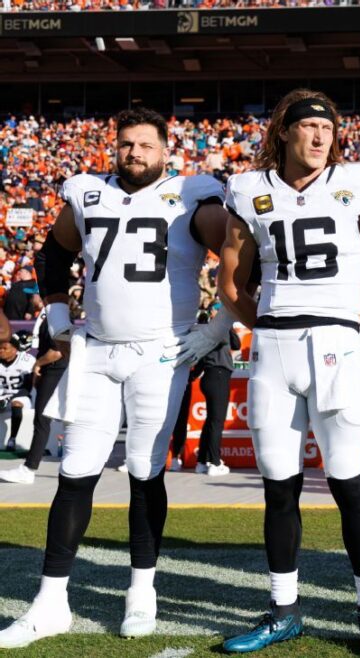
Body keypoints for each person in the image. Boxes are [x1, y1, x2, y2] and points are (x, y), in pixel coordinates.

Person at [0, 108, 233, 648]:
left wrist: (218, 327)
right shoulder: (87, 192)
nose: (135, 153)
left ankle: (141, 591)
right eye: (127, 144)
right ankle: (50, 602)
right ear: (115, 147)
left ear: (165, 150)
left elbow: (241, 254)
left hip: (160, 352)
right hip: (97, 350)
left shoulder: (191, 195)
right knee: (74, 473)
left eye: (146, 145)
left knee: (145, 472)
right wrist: (58, 312)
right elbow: (53, 253)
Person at [216, 89, 360, 656]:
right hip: (274, 352)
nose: (322, 135)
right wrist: (269, 326)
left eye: (328, 126)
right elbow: (230, 282)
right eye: (309, 126)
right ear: (284, 132)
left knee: (350, 486)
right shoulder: (249, 189)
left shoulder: (357, 181)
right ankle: (283, 610)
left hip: (337, 346)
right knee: (279, 490)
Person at [169, 309, 238, 476]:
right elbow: (234, 343)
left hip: (209, 376)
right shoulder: (215, 332)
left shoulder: (208, 333)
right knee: (217, 422)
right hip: (218, 375)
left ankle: (201, 461)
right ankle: (214, 462)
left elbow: (236, 345)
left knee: (211, 422)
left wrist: (225, 324)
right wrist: (223, 323)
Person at [0, 309, 66, 484]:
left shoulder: (57, 315)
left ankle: (28, 468)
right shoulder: (56, 314)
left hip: (52, 372)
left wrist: (38, 363)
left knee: (42, 420)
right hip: (54, 370)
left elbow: (57, 352)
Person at [0, 335, 34, 452]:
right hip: (2, 396)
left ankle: (12, 438)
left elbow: (28, 387)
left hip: (20, 395)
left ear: (15, 349)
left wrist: (9, 399)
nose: (1, 351)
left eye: (5, 348)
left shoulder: (26, 360)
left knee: (17, 403)